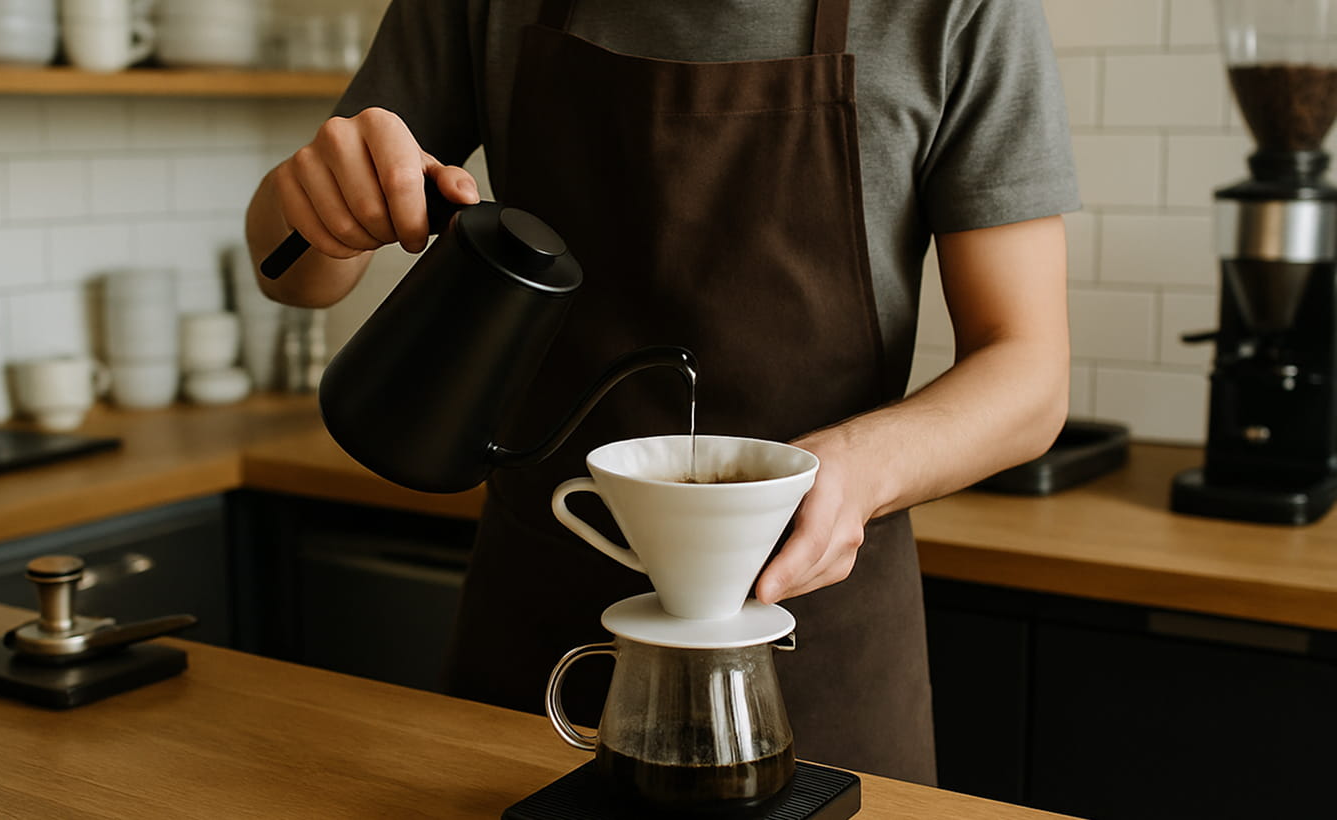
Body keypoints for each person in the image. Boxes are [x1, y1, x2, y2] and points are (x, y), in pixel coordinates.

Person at [246, 0, 1078, 785]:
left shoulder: (964, 12)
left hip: (817, 634)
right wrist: (319, 203)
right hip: (540, 632)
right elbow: (296, 273)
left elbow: (1029, 371)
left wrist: (859, 466)